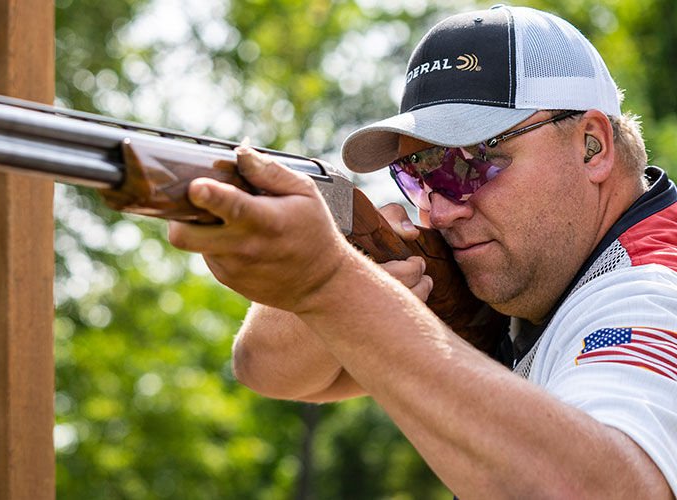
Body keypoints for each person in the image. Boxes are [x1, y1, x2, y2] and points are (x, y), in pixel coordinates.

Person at [167, 5, 677, 498]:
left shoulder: (652, 288)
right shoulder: (533, 280)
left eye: (476, 163)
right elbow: (262, 366)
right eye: (420, 174)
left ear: (593, 145)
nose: (444, 209)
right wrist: (350, 281)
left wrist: (331, 283)